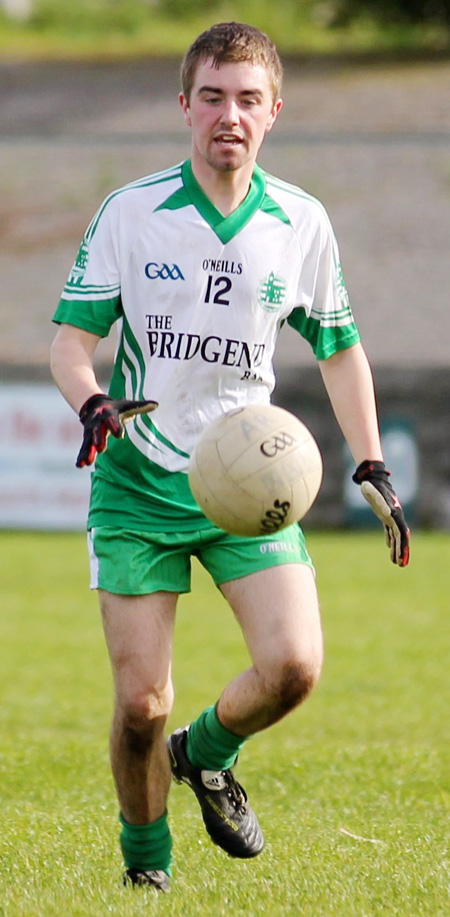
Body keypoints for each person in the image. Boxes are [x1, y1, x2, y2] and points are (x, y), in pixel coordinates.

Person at [50, 21, 410, 894]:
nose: (230, 115)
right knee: (140, 704)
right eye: (212, 96)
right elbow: (69, 342)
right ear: (184, 105)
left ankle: (204, 755)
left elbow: (338, 347)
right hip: (137, 480)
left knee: (295, 666)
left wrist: (369, 459)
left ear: (274, 111)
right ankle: (147, 874)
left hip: (246, 483)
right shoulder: (131, 212)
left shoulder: (300, 222)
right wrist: (92, 400)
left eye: (249, 99)